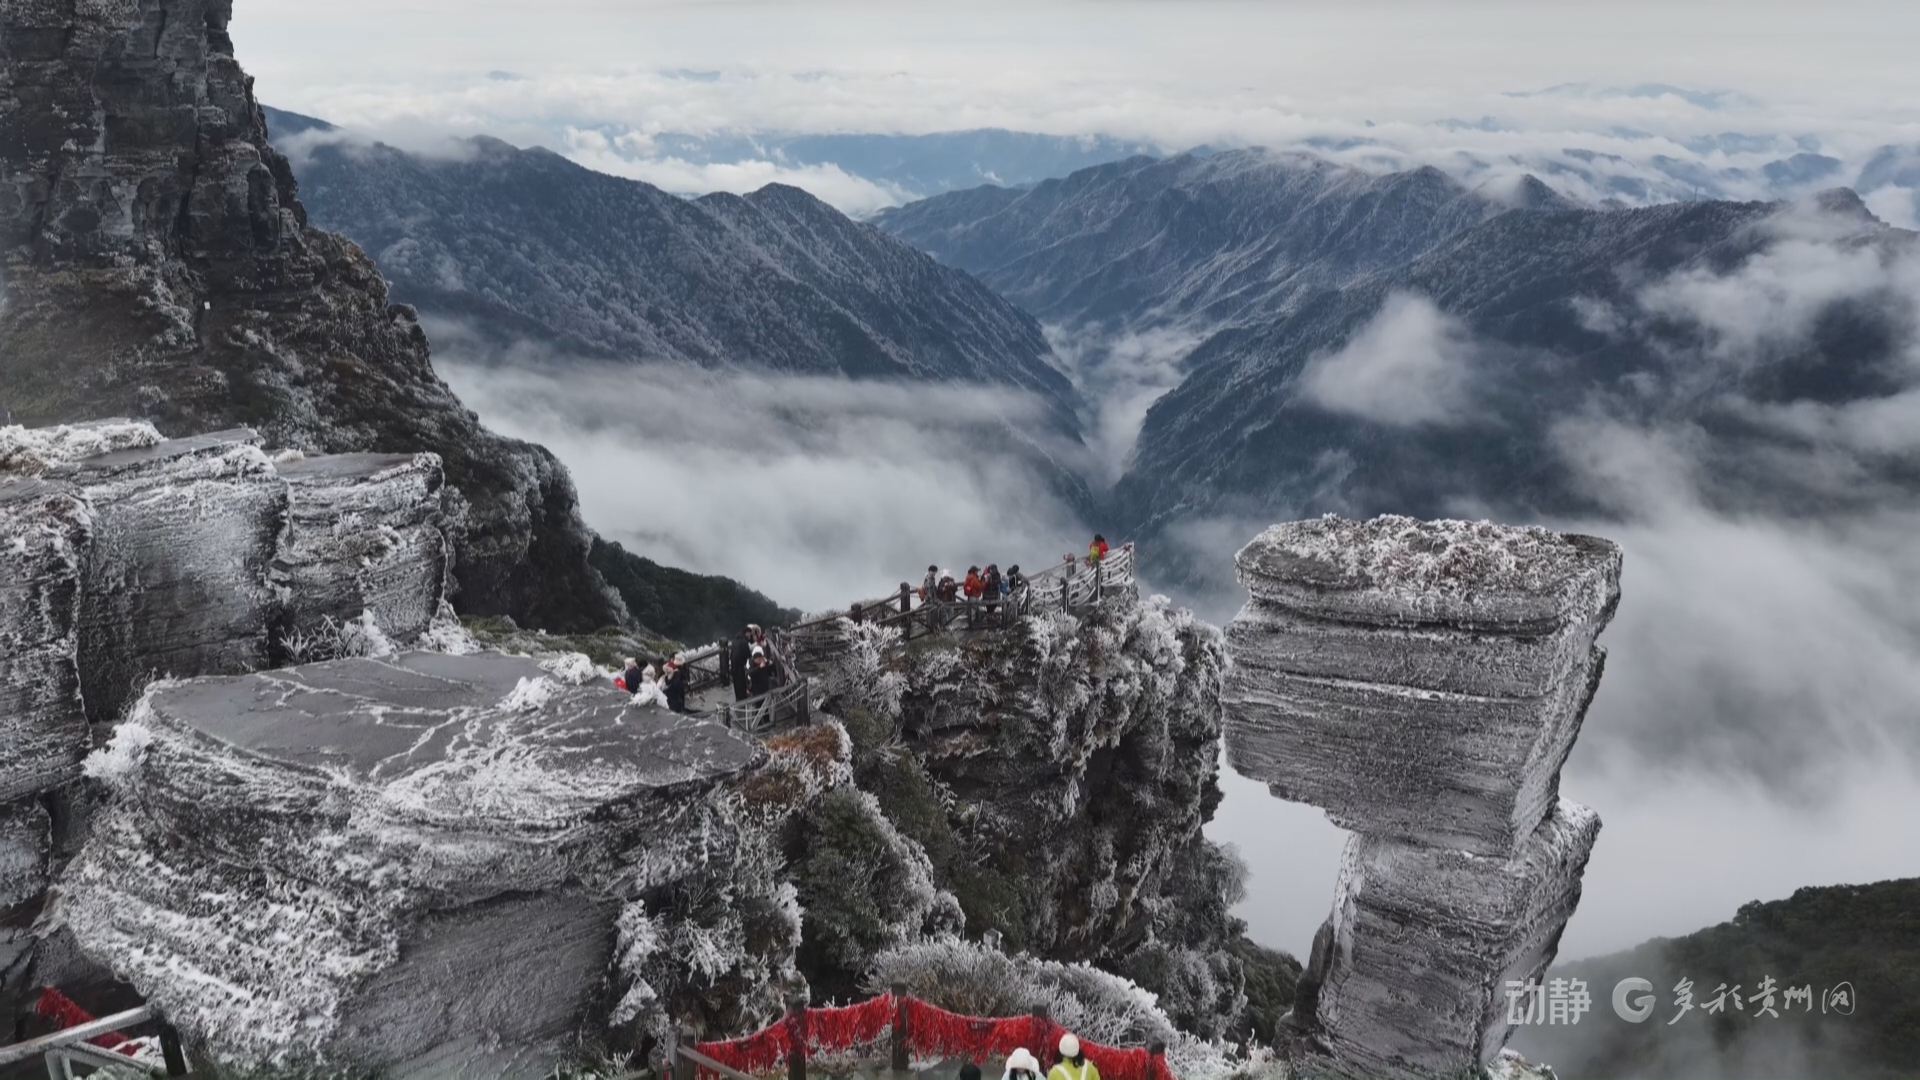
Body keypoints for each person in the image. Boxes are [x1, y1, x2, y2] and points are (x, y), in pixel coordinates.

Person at [729, 627, 753, 702]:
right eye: (750, 634)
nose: (750, 635)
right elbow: (748, 654)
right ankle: (743, 696)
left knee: (736, 681)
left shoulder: (734, 641)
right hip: (740, 664)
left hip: (733, 664)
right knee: (741, 680)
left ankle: (738, 696)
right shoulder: (744, 642)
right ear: (747, 632)